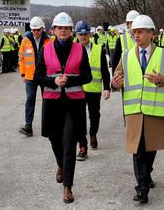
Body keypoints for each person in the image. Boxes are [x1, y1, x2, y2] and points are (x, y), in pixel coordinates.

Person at [111, 14, 164, 204]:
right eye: (134, 33)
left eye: (140, 32)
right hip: (134, 111)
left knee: (150, 149)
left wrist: (161, 79)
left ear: (150, 33)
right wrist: (114, 84)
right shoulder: (127, 55)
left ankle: (146, 176)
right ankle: (142, 189)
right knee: (138, 151)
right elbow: (117, 78)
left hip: (154, 111)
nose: (136, 36)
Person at [34, 12, 92, 203]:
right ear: (54, 30)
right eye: (60, 28)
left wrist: (69, 79)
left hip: (73, 102)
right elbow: (38, 76)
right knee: (54, 139)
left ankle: (68, 186)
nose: (63, 31)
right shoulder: (46, 50)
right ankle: (60, 164)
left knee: (69, 143)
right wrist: (53, 80)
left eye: (66, 28)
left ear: (71, 30)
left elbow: (87, 77)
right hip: (52, 101)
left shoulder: (79, 50)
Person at [75, 20, 111, 160]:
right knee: (79, 118)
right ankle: (82, 146)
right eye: (80, 34)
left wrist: (106, 87)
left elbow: (104, 70)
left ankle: (93, 133)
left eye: (85, 34)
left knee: (94, 115)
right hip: (78, 89)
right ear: (76, 35)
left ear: (89, 34)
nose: (83, 37)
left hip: (94, 89)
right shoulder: (73, 50)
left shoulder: (98, 49)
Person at [18, 16, 51, 136]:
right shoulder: (25, 41)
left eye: (38, 29)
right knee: (30, 100)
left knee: (47, 100)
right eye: (34, 30)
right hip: (30, 77)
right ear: (31, 30)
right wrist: (22, 73)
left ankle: (48, 125)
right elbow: (21, 58)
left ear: (42, 28)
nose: (36, 32)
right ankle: (28, 126)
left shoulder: (49, 41)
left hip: (44, 76)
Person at [111, 10, 140, 75]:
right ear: (127, 24)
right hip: (128, 80)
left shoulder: (146, 39)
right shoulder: (121, 40)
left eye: (138, 23)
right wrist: (115, 79)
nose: (136, 26)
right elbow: (116, 62)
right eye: (133, 23)